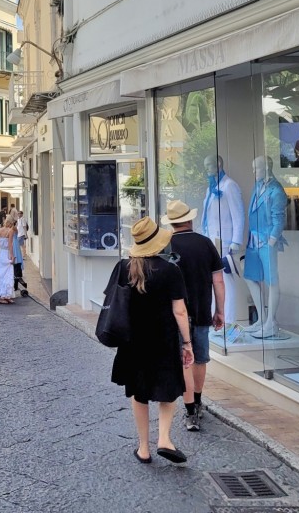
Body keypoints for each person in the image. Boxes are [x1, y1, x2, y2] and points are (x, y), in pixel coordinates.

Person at [110, 216, 194, 464]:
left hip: (133, 341)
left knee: (139, 393)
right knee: (168, 390)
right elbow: (180, 311)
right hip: (163, 339)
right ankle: (165, 439)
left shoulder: (125, 268)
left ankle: (143, 448)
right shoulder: (170, 271)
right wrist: (187, 343)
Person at [163, 200, 224, 432]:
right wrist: (220, 310)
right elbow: (218, 280)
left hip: (174, 314)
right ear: (190, 219)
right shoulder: (205, 243)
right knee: (199, 358)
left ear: (172, 223)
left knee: (183, 361)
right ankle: (197, 402)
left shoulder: (166, 245)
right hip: (201, 310)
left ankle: (189, 412)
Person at [243, 156, 289, 339]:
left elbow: (279, 219)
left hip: (266, 241)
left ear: (267, 168)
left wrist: (270, 241)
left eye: (257, 168)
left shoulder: (276, 191)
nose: (254, 172)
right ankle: (262, 319)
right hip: (254, 240)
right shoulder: (258, 187)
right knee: (250, 276)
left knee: (272, 281)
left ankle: (271, 322)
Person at [200, 155, 245, 324]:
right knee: (213, 281)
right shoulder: (211, 187)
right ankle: (216, 317)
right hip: (211, 240)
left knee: (226, 279)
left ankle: (229, 319)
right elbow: (207, 216)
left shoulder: (229, 186)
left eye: (209, 165)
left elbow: (238, 214)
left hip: (224, 241)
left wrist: (236, 240)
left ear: (218, 165)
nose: (206, 169)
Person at [0, 217, 17, 304]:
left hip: (1, 254)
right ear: (11, 223)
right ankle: (4, 295)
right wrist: (12, 256)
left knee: (0, 274)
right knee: (8, 274)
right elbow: (10, 245)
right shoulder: (10, 231)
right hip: (7, 254)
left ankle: (2, 295)